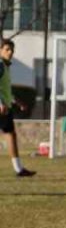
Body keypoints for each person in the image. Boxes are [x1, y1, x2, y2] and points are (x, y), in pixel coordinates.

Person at [0, 38, 35, 178]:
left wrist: (17, 102)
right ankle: (18, 169)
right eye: (7, 49)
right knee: (10, 135)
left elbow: (6, 89)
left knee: (11, 135)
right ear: (0, 50)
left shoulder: (6, 66)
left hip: (5, 107)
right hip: (1, 107)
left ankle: (19, 169)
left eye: (12, 50)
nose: (10, 52)